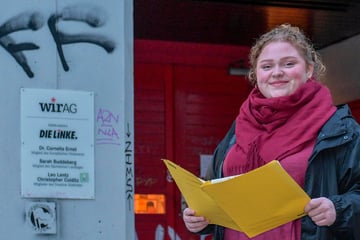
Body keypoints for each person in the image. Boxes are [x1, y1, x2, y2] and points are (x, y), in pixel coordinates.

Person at [182, 23, 360, 240]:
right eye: (267, 66)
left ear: (309, 70)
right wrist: (197, 218)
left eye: (288, 64)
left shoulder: (338, 128)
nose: (277, 73)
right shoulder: (240, 126)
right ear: (256, 74)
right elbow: (209, 190)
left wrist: (338, 210)